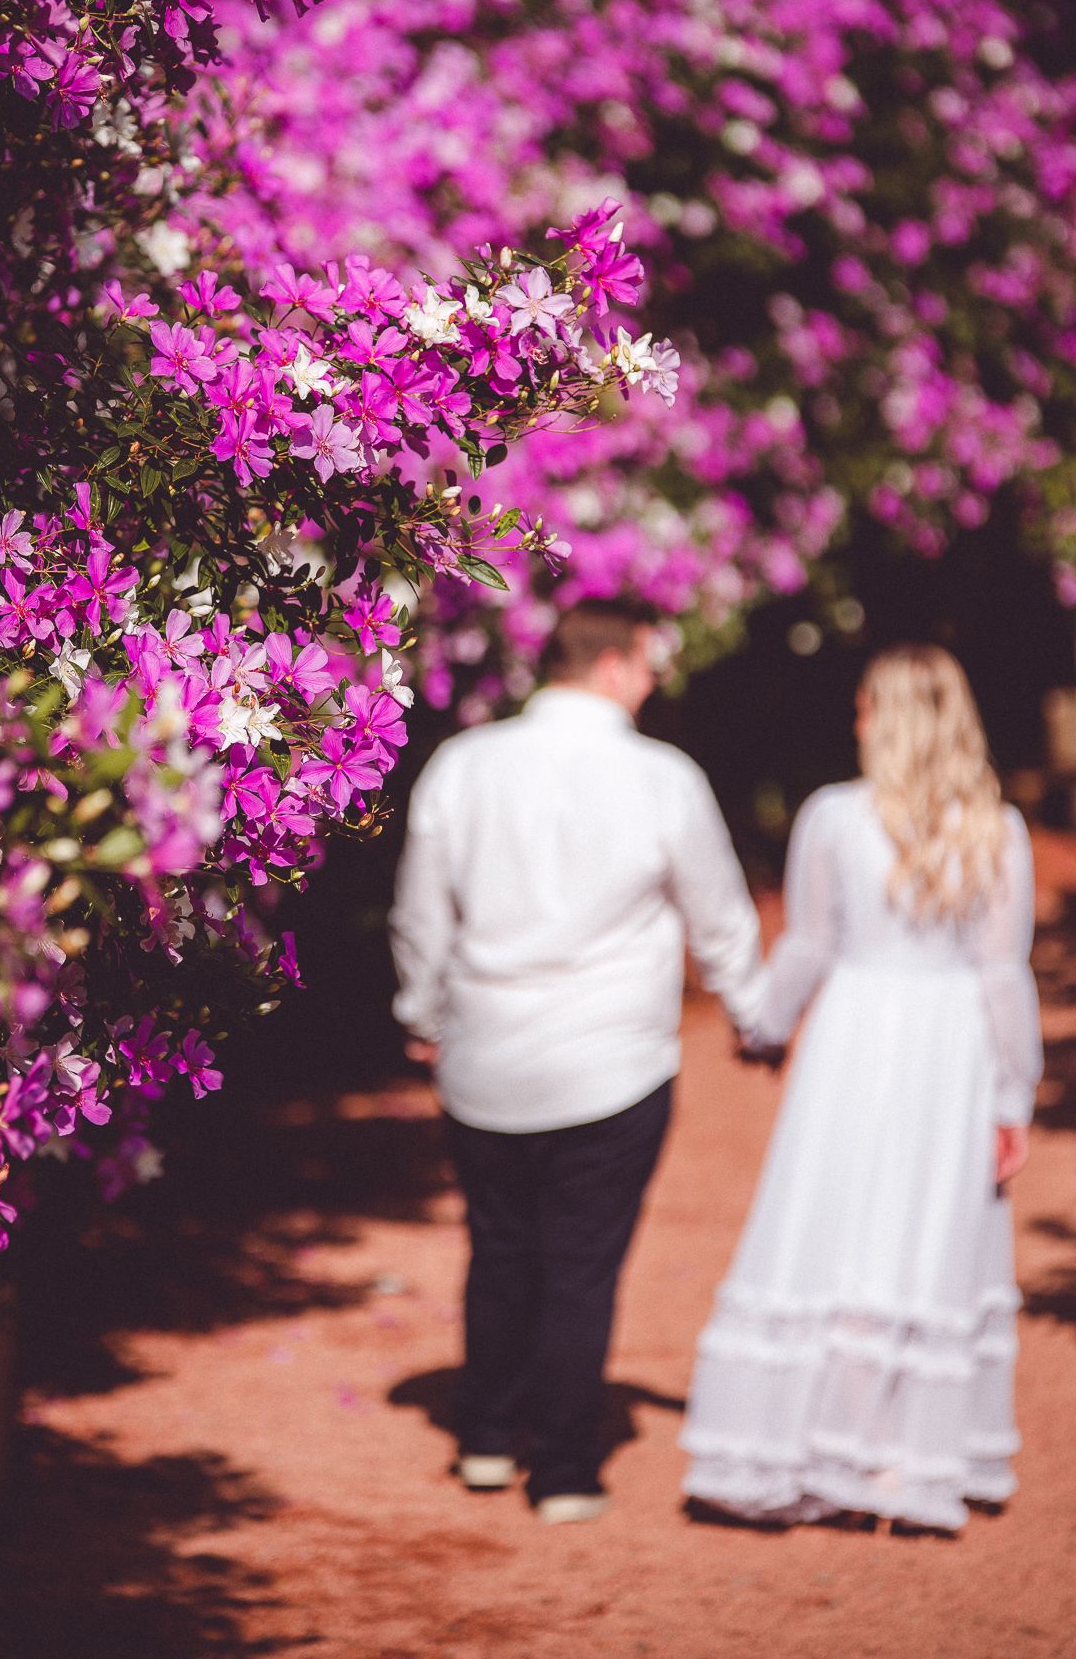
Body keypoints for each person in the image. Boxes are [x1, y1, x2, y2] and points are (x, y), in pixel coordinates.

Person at [389, 597, 763, 1523]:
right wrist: (754, 1016)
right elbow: (718, 913)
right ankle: (560, 1470)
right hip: (612, 1063)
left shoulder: (462, 764)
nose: (652, 683)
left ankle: (484, 1437)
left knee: (499, 1249)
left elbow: (420, 912)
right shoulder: (662, 776)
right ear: (611, 666)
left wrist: (421, 1012)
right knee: (581, 1266)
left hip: (485, 1058)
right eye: (646, 666)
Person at [681, 643, 1044, 1534]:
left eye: (864, 705)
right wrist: (1012, 1093)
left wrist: (764, 1025)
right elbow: (1002, 973)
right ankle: (899, 1459)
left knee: (839, 1232)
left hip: (852, 1041)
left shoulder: (833, 817)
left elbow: (809, 943)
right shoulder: (995, 829)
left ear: (891, 718)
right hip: (949, 1048)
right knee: (925, 1238)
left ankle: (829, 1449)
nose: (854, 720)